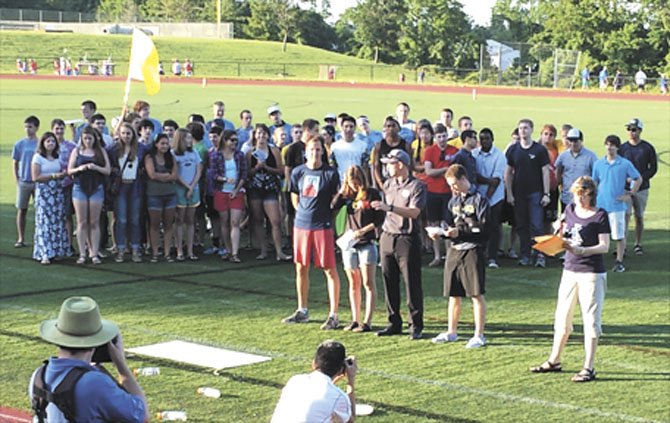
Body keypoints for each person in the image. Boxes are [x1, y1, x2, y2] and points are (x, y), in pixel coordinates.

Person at [529, 177, 610, 383]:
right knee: (562, 317)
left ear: (591, 194)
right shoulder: (570, 211)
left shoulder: (600, 216)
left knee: (591, 320)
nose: (579, 199)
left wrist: (583, 250)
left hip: (591, 273)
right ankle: (554, 360)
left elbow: (605, 246)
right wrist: (556, 237)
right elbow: (562, 231)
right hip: (570, 270)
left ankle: (588, 367)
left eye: (583, 195)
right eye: (576, 195)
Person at [29, 296, 148, 421]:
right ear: (96, 342)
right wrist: (121, 365)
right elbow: (142, 415)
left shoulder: (38, 376)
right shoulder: (95, 382)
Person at [282, 137, 342, 330]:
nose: (315, 153)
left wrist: (326, 217)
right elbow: (294, 195)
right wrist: (301, 213)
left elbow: (335, 201)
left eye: (318, 150)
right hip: (301, 226)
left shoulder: (330, 173)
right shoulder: (298, 172)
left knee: (329, 269)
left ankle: (333, 314)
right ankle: (302, 310)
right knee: (300, 267)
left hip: (322, 226)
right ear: (305, 152)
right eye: (311, 149)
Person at [430, 164, 489, 348]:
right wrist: (440, 232)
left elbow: (484, 228)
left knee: (475, 293)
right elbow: (447, 223)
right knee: (453, 294)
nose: (452, 188)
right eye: (450, 185)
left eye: (455, 184)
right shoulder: (453, 201)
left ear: (464, 179)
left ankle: (479, 334)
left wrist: (461, 232)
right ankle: (451, 331)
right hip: (454, 250)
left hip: (472, 249)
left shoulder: (480, 199)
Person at [371, 149, 427, 340]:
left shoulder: (417, 186)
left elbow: (414, 212)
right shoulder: (388, 184)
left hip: (406, 238)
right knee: (389, 281)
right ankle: (394, 322)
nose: (387, 167)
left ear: (401, 164)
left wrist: (390, 208)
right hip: (388, 236)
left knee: (411, 283)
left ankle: (416, 324)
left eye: (390, 163)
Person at [332, 165, 384, 333]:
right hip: (350, 244)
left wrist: (364, 230)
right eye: (351, 183)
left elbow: (379, 219)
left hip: (366, 242)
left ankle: (367, 321)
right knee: (353, 282)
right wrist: (342, 191)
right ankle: (355, 319)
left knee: (368, 282)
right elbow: (333, 205)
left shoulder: (372, 194)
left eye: (356, 183)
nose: (354, 186)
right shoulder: (347, 195)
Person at [271, 340, 357, 423]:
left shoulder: (295, 380)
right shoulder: (339, 396)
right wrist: (351, 380)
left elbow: (319, 393)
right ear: (341, 368)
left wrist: (334, 379)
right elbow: (350, 420)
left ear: (313, 363)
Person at [591, 135, 641, 273]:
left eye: (612, 145)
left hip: (616, 206)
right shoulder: (598, 164)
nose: (610, 147)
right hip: (601, 205)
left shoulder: (625, 164)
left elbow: (638, 179)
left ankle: (619, 261)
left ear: (617, 147)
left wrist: (630, 194)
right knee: (598, 234)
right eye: (607, 144)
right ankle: (596, 259)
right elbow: (594, 182)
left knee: (619, 235)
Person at [505, 119, 551, 267]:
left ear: (531, 130)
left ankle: (540, 255)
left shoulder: (539, 150)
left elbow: (545, 172)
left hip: (535, 193)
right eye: (520, 128)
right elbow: (508, 173)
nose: (523, 131)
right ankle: (525, 254)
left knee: (537, 226)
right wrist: (510, 193)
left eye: (525, 128)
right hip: (519, 194)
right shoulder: (513, 150)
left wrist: (546, 193)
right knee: (521, 225)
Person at [246, 124, 291, 261]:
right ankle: (263, 250)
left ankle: (279, 251)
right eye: (259, 133)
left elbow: (281, 171)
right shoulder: (250, 153)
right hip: (255, 189)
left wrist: (266, 167)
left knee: (275, 221)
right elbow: (247, 173)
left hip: (270, 189)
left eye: (264, 133)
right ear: (254, 135)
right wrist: (256, 168)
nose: (261, 136)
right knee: (258, 219)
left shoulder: (274, 151)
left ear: (268, 135)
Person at [68, 126, 111, 265]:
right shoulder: (77, 151)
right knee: (81, 222)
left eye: (90, 138)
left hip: (96, 188)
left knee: (94, 222)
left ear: (95, 138)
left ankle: (94, 252)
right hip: (80, 188)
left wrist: (95, 167)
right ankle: (82, 253)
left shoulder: (100, 152)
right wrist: (79, 168)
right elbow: (69, 170)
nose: (87, 141)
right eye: (85, 138)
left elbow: (107, 170)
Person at [619, 119, 657, 256]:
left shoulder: (647, 148)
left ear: (640, 131)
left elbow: (653, 168)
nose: (631, 132)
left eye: (634, 129)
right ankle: (622, 246)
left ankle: (638, 243)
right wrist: (627, 179)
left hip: (642, 188)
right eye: (629, 129)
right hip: (626, 188)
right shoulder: (623, 148)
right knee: (626, 215)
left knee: (639, 216)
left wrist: (640, 179)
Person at [111, 123, 148, 263]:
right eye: (123, 133)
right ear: (119, 134)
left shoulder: (141, 149)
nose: (126, 136)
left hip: (135, 187)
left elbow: (147, 164)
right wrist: (115, 173)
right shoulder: (114, 149)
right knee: (122, 220)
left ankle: (135, 249)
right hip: (121, 188)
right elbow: (108, 165)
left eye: (128, 133)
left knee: (135, 219)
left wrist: (141, 172)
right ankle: (120, 249)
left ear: (133, 134)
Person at [31, 132, 70, 265]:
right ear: (43, 143)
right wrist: (53, 176)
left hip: (57, 193)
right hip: (44, 194)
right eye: (48, 141)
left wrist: (63, 175)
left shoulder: (57, 157)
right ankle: (45, 253)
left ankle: (57, 250)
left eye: (53, 141)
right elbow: (35, 177)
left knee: (57, 222)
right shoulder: (38, 157)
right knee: (45, 223)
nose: (51, 144)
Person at [423, 123, 459, 267]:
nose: (442, 139)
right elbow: (429, 172)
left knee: (448, 224)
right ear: (435, 137)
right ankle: (437, 255)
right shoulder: (430, 151)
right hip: (433, 192)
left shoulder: (455, 151)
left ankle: (450, 255)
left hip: (449, 193)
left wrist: (443, 171)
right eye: (439, 137)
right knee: (434, 224)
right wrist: (446, 169)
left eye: (444, 136)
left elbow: (456, 171)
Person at [209, 130, 247, 263]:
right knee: (224, 222)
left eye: (236, 140)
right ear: (225, 140)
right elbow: (213, 175)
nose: (234, 143)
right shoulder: (216, 155)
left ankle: (235, 252)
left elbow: (243, 174)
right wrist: (224, 179)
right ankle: (228, 249)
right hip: (221, 191)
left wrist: (236, 189)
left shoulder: (240, 155)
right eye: (232, 140)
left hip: (236, 192)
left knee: (235, 222)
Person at [475, 128, 506, 268]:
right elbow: (474, 177)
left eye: (487, 138)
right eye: (482, 139)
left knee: (493, 227)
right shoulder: (474, 154)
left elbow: (496, 181)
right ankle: (479, 255)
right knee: (478, 227)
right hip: (477, 197)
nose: (484, 141)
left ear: (492, 139)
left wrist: (486, 199)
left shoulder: (499, 156)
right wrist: (487, 181)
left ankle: (492, 257)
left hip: (494, 198)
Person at [144, 133, 178, 262]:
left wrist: (162, 176)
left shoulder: (171, 157)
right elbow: (152, 174)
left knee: (169, 224)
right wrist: (166, 177)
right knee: (154, 224)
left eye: (166, 143)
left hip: (170, 194)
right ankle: (155, 252)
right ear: (156, 144)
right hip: (154, 195)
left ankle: (167, 252)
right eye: (162, 143)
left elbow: (175, 175)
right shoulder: (149, 157)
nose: (164, 146)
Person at [172, 128, 202, 261]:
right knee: (179, 220)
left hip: (194, 189)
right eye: (187, 138)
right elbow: (176, 174)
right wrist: (187, 187)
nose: (190, 141)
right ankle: (179, 249)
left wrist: (192, 186)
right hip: (180, 189)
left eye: (190, 138)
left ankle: (190, 250)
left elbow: (199, 171)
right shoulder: (174, 154)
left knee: (191, 220)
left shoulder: (194, 152)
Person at [12, 115, 40, 248]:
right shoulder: (19, 144)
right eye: (26, 126)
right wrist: (17, 179)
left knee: (39, 210)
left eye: (30, 127)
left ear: (36, 128)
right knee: (22, 210)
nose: (28, 129)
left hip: (38, 181)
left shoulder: (40, 143)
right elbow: (15, 162)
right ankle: (20, 238)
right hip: (24, 181)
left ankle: (38, 237)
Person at [555, 128, 598, 212]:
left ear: (581, 140)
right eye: (570, 141)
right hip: (567, 198)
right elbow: (558, 169)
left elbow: (596, 175)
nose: (572, 143)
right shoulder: (563, 156)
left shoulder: (590, 156)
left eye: (575, 141)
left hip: (585, 199)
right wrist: (560, 182)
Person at [371, 116, 413, 190]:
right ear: (384, 129)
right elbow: (376, 167)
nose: (391, 129)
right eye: (388, 126)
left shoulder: (406, 145)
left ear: (399, 128)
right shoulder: (379, 145)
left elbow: (410, 165)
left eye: (393, 126)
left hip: (401, 181)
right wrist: (380, 183)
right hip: (385, 181)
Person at [331, 115, 370, 183]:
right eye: (346, 126)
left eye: (351, 126)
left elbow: (365, 167)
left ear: (355, 128)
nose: (348, 129)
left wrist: (366, 183)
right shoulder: (335, 146)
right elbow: (332, 166)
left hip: (358, 182)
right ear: (342, 127)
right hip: (341, 182)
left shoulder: (362, 146)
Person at [539, 124, 561, 237]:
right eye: (545, 134)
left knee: (549, 219)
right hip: (538, 189)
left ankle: (547, 245)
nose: (548, 137)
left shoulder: (558, 150)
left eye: (551, 135)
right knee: (537, 218)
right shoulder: (536, 149)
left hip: (553, 189)